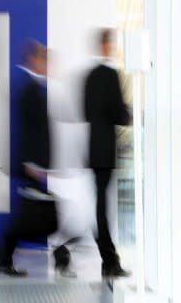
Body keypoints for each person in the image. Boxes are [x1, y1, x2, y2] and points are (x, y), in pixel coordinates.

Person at [0, 40, 76, 277]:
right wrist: (31, 164)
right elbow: (26, 130)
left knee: (32, 216)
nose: (50, 66)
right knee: (44, 217)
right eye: (46, 60)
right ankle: (59, 259)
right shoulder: (29, 88)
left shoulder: (34, 87)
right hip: (30, 164)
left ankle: (2, 259)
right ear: (35, 60)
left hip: (33, 163)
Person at [83, 29, 131, 278]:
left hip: (93, 148)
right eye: (112, 43)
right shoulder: (111, 76)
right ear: (106, 46)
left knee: (101, 203)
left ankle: (107, 256)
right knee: (102, 205)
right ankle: (109, 260)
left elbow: (85, 113)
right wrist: (129, 114)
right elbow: (120, 113)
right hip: (106, 149)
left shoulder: (89, 76)